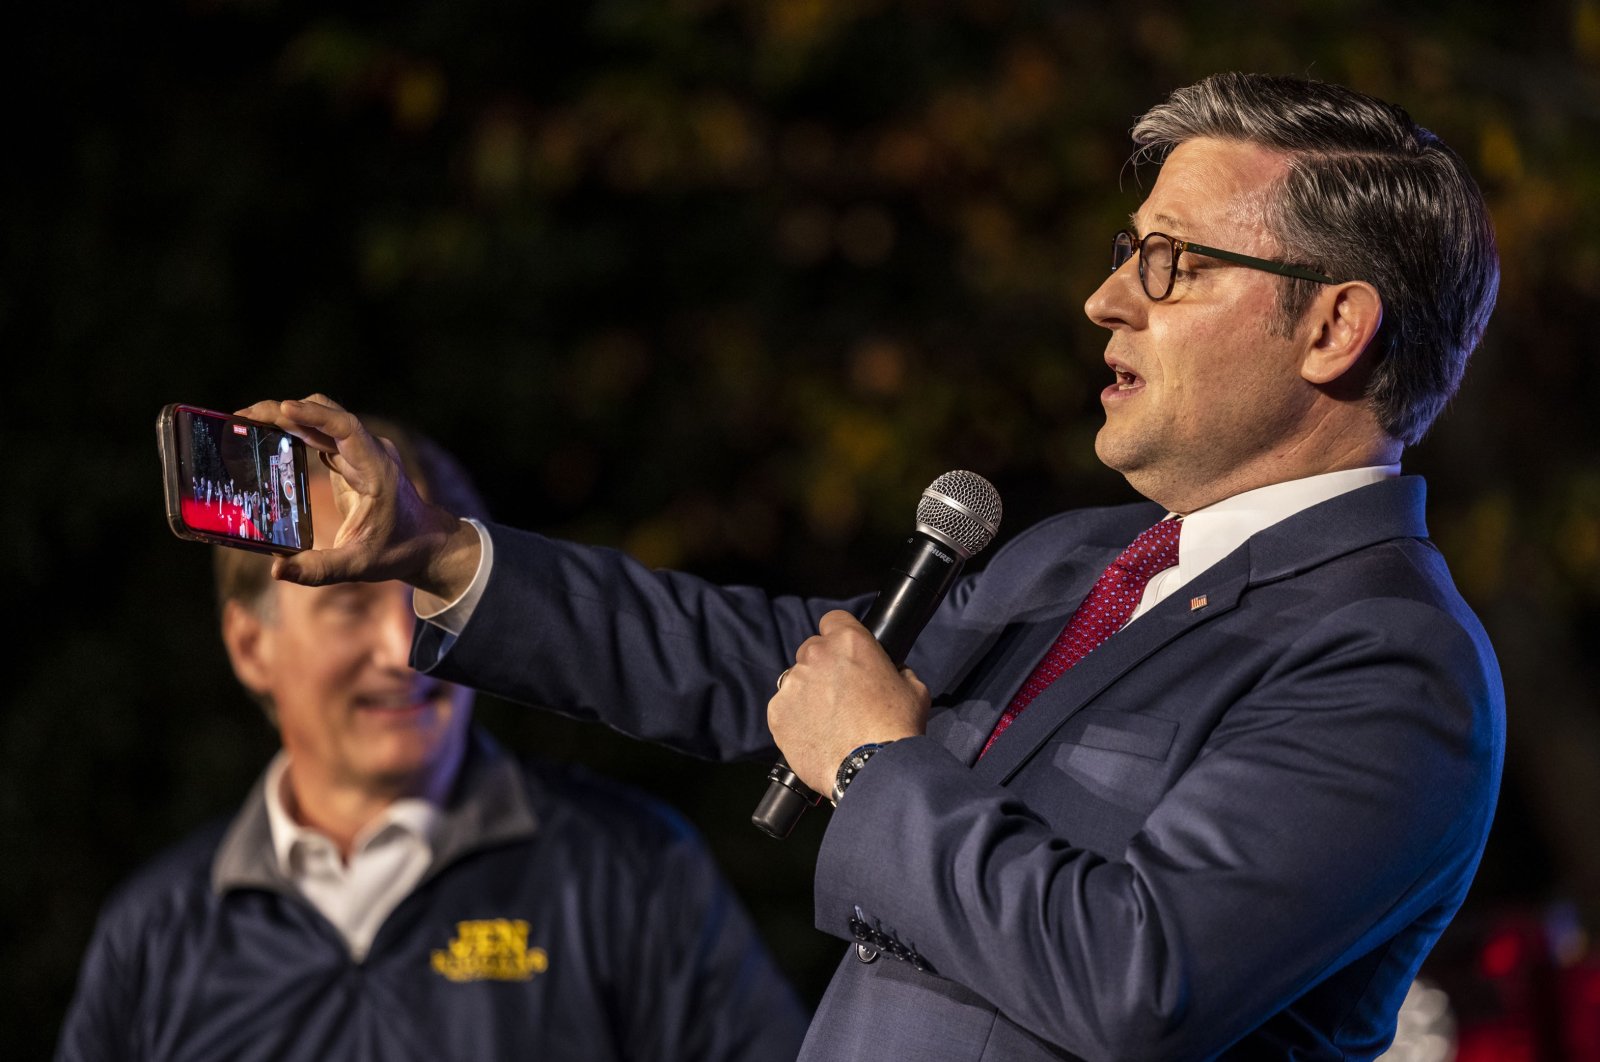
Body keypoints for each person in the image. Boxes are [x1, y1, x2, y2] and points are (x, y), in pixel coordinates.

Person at [238, 71, 1505, 1060]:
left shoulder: (1392, 664)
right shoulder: (1075, 559)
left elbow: (1141, 982)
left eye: (1170, 261)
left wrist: (874, 766)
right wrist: (436, 549)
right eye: (1125, 252)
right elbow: (767, 668)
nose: (1107, 300)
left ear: (1334, 327)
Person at [55, 418, 810, 1062]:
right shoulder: (155, 934)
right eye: (348, 605)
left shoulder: (632, 869)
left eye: (430, 598)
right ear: (252, 645)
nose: (400, 648)